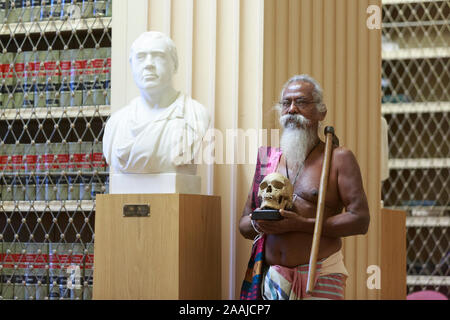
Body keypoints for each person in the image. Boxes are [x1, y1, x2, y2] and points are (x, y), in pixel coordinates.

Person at [239, 74, 370, 300]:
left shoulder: (339, 158)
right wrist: (260, 223)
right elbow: (243, 225)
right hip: (272, 277)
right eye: (286, 103)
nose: (292, 109)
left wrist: (302, 224)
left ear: (321, 112)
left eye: (301, 102)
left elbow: (360, 220)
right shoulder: (268, 159)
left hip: (320, 275)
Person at [103, 31, 210, 174]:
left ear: (175, 65)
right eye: (140, 57)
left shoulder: (194, 115)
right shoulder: (116, 124)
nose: (148, 64)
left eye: (158, 56)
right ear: (131, 64)